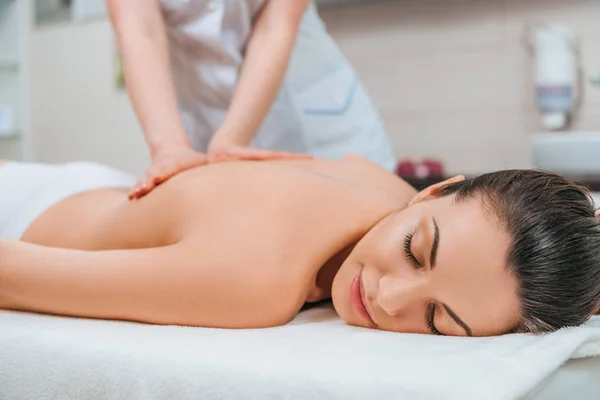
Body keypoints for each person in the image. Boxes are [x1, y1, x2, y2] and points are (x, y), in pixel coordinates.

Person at [0, 157, 599, 336]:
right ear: (434, 191)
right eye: (416, 252)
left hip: (84, 185)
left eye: (438, 321)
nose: (390, 297)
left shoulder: (380, 183)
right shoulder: (255, 283)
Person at [107, 0, 397, 200]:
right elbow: (138, 29)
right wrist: (169, 149)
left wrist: (231, 139)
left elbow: (277, 24)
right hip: (200, 128)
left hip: (318, 128)